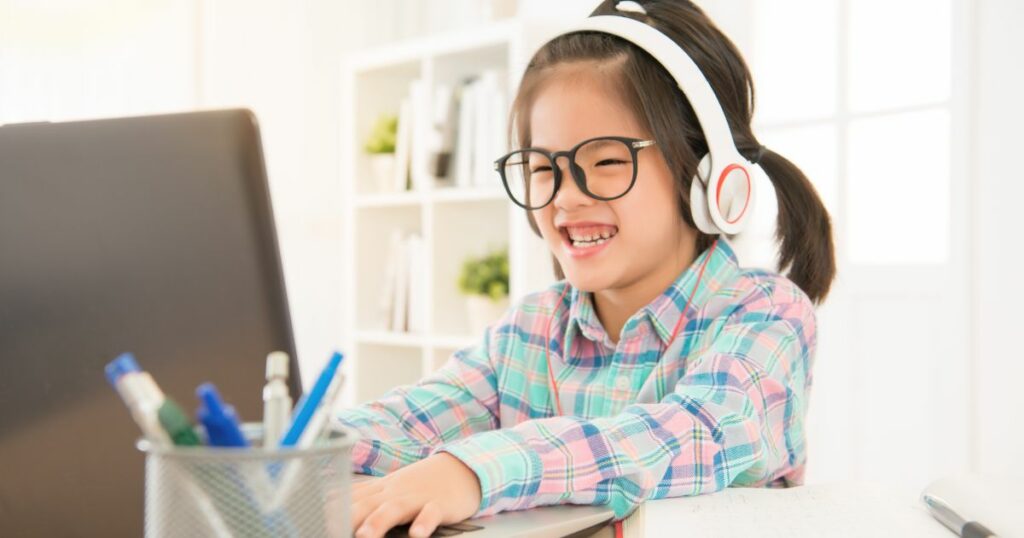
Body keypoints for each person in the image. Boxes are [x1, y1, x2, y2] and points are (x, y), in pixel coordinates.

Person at [343, 1, 836, 536]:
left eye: (606, 162)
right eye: (540, 168)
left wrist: (473, 470)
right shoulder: (531, 330)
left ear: (706, 175)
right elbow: (406, 424)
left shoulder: (766, 316)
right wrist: (288, 452)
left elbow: (688, 434)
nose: (565, 197)